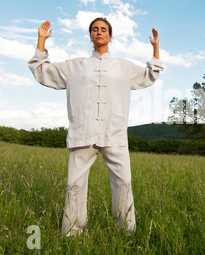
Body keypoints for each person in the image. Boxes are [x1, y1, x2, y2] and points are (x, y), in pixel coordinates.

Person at [28, 17, 163, 236]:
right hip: (83, 132)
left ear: (110, 36)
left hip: (115, 133)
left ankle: (126, 232)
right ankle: (72, 233)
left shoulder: (124, 66)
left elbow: (150, 75)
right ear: (91, 35)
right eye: (94, 29)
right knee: (75, 184)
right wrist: (41, 41)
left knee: (124, 182)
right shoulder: (75, 65)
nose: (98, 32)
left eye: (103, 30)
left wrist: (155, 48)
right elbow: (43, 71)